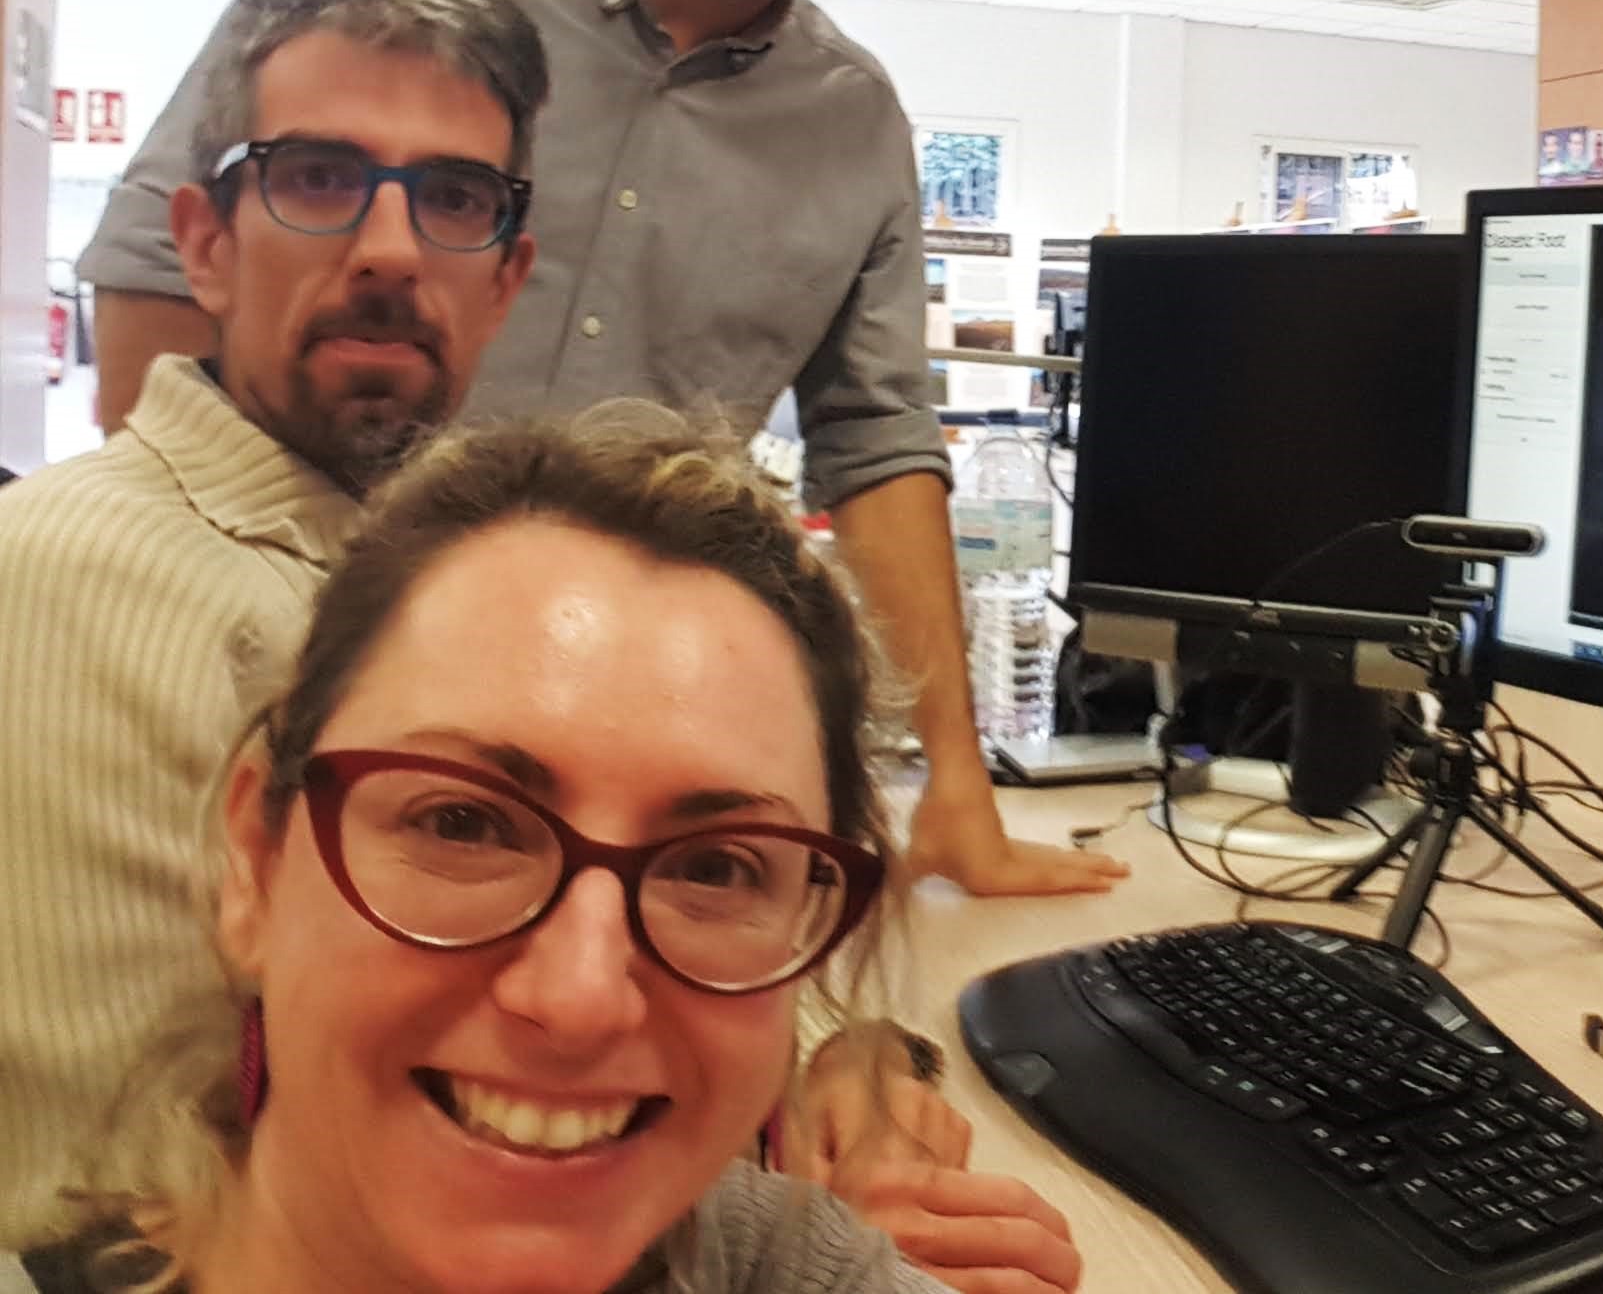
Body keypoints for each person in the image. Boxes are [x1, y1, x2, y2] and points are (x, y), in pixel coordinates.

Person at [78, 0, 1124, 904]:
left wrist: (954, 782)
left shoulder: (855, 128)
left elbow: (881, 449)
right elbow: (154, 268)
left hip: (596, 757)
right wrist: (177, 601)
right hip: (274, 685)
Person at [5, 409, 1079, 1294]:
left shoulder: (766, 1257)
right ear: (255, 859)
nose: (578, 998)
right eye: (461, 823)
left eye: (716, 866)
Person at [0, 0, 545, 1240]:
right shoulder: (55, 574)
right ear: (205, 248)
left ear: (508, 282)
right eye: (317, 178)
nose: (390, 249)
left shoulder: (486, 573)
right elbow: (106, 1217)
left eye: (458, 198)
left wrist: (852, 1061)